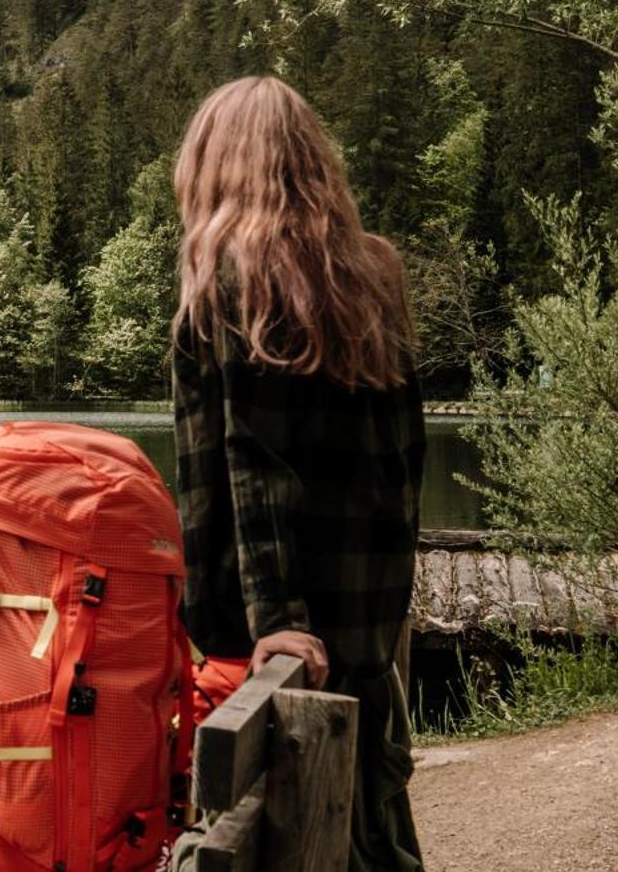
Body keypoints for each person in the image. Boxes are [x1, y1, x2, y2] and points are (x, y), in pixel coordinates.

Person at [170, 76, 424, 871]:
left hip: (282, 642)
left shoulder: (225, 278)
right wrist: (376, 621)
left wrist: (271, 613)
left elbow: (250, 461)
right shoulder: (374, 274)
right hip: (362, 634)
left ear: (214, 166)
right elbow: (406, 459)